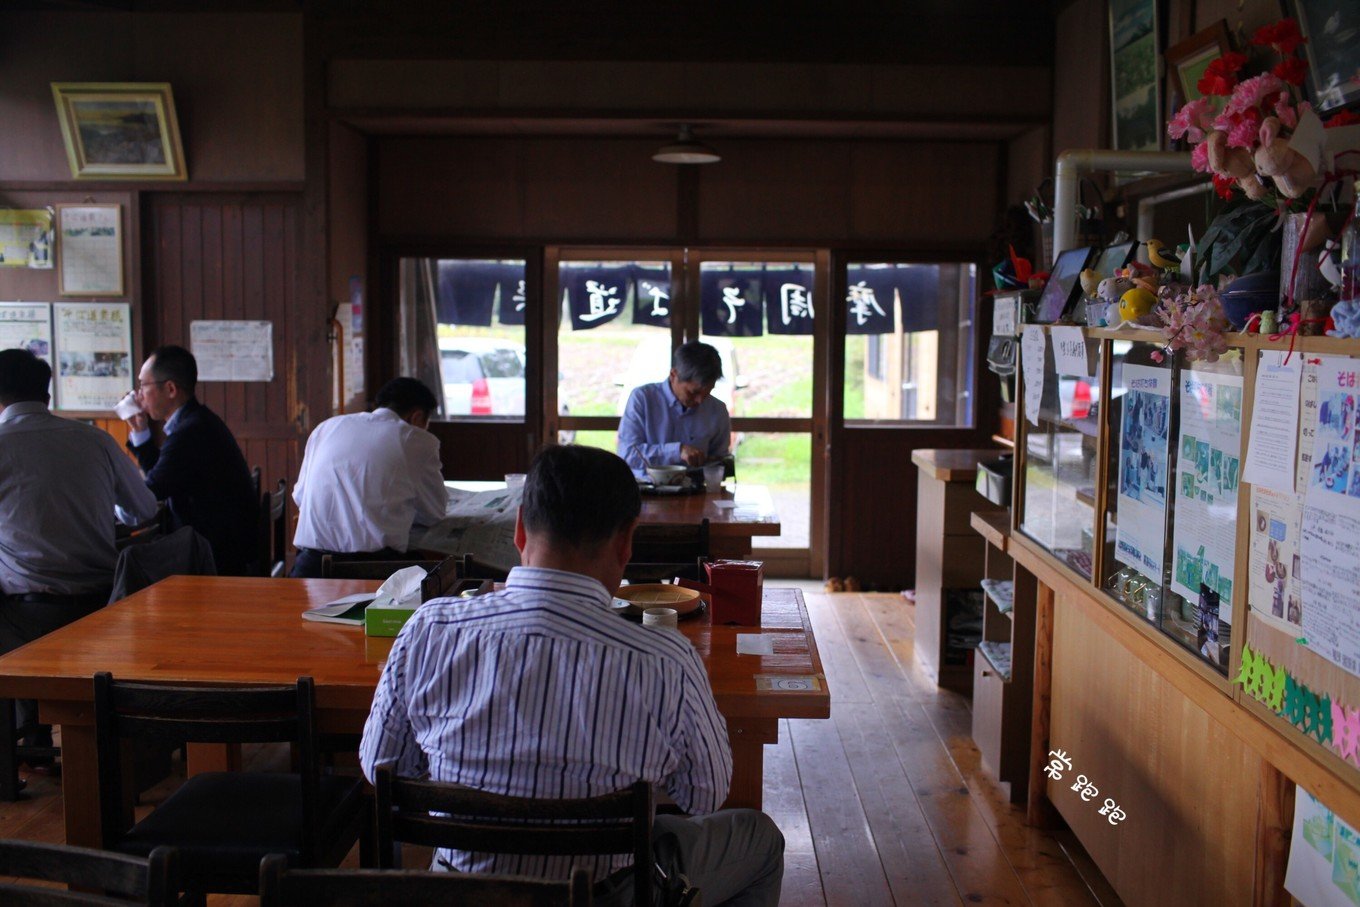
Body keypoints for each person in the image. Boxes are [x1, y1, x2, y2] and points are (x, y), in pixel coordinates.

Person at [360, 445, 783, 906]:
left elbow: (380, 766)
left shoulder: (429, 629)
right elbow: (704, 795)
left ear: (520, 529)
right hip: (602, 895)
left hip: (457, 893)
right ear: (626, 543)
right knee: (760, 842)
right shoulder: (667, 659)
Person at [0, 348, 158, 755]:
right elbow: (143, 510)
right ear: (48, 396)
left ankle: (28, 741)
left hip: (29, 614)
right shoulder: (94, 439)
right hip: (104, 606)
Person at [290, 377, 446, 578]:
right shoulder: (414, 438)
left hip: (309, 568)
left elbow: (300, 496)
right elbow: (434, 512)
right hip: (374, 570)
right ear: (417, 417)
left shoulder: (327, 427)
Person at [124, 345, 257, 576]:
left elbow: (152, 490)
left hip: (214, 556)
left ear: (171, 389)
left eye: (144, 385)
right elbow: (163, 474)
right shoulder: (196, 421)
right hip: (216, 545)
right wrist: (141, 431)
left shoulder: (192, 432)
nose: (138, 395)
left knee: (129, 563)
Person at [618, 340, 730, 473]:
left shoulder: (717, 409)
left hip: (696, 491)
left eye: (707, 393)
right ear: (673, 375)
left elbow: (720, 461)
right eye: (693, 392)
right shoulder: (643, 398)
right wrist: (677, 451)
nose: (700, 400)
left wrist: (715, 463)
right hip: (647, 489)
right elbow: (627, 454)